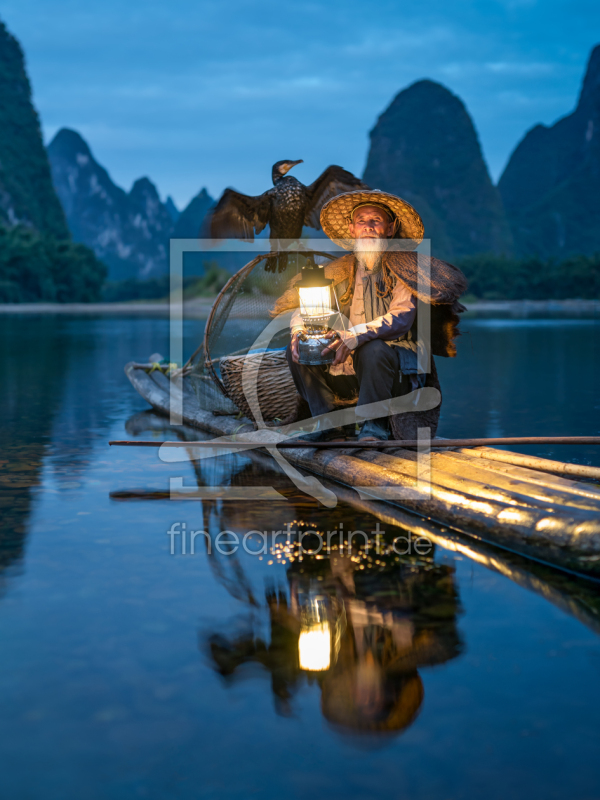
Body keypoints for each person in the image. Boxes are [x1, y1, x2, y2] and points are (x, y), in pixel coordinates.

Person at [272, 189, 467, 442]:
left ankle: (374, 426)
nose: (368, 227)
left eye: (376, 220)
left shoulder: (404, 268)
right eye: (361, 221)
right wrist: (299, 331)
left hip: (397, 373)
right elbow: (304, 309)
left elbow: (401, 317)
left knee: (372, 348)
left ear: (390, 228)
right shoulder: (341, 270)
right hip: (349, 371)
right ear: (352, 229)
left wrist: (354, 335)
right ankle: (327, 423)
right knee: (301, 347)